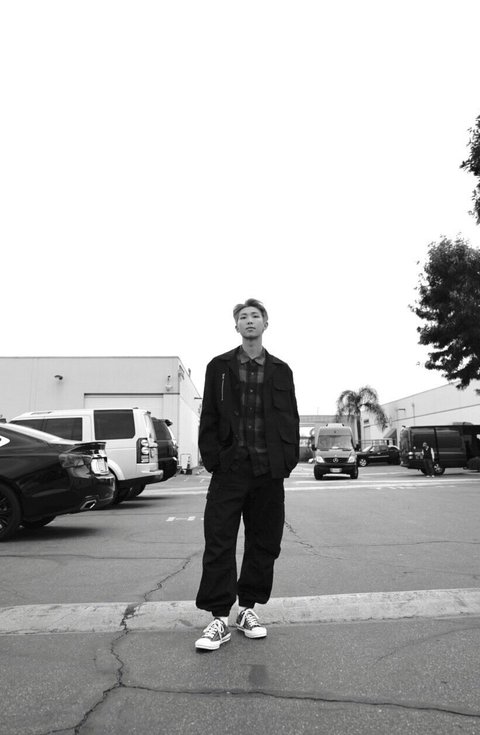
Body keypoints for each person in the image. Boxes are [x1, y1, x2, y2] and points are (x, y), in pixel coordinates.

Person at [195, 298, 299, 651]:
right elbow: (209, 415)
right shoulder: (219, 367)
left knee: (264, 542)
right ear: (236, 326)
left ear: (265, 323)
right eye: (243, 317)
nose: (249, 321)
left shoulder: (281, 370)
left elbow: (290, 418)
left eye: (255, 316)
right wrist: (214, 459)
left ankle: (247, 610)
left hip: (268, 472)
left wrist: (286, 461)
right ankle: (218, 618)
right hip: (230, 470)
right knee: (219, 540)